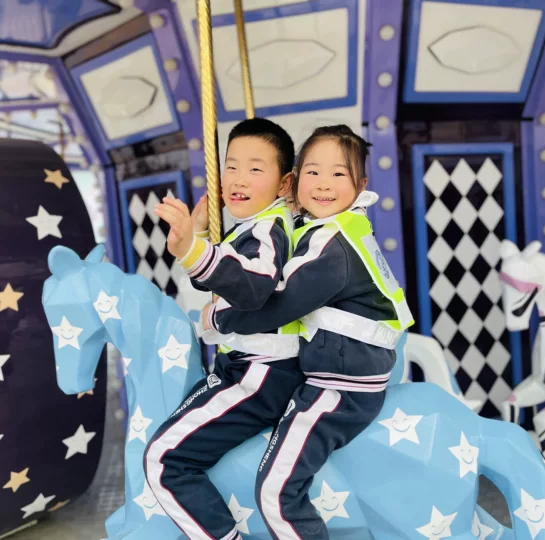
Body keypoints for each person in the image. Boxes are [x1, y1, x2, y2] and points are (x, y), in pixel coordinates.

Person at [202, 125, 414, 539]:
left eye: (338, 174)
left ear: (361, 185)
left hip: (340, 386)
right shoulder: (337, 227)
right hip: (344, 370)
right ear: (295, 181)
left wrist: (218, 318)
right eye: (313, 172)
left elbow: (277, 304)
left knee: (275, 489)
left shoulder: (332, 245)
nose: (323, 184)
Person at [144, 117, 305, 540]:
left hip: (262, 373)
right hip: (243, 365)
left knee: (163, 459)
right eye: (230, 166)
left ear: (284, 183)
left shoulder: (270, 230)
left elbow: (252, 285)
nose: (238, 178)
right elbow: (215, 282)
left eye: (255, 168)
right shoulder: (249, 228)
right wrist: (199, 233)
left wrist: (194, 248)